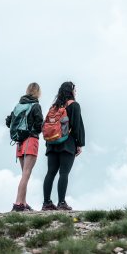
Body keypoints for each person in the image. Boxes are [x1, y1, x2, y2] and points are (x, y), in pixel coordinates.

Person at [42, 81, 85, 211]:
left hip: (52, 143)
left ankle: (46, 203)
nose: (76, 92)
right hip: (67, 143)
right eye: (75, 90)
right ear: (71, 91)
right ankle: (61, 203)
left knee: (50, 172)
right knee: (64, 173)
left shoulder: (54, 107)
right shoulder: (74, 105)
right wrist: (79, 144)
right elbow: (77, 127)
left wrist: (48, 142)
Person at [6, 82, 43, 212]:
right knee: (27, 173)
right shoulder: (36, 105)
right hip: (31, 140)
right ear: (38, 92)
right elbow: (39, 124)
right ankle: (18, 204)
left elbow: (8, 121)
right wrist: (36, 130)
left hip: (19, 142)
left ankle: (23, 202)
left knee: (24, 174)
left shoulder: (18, 105)